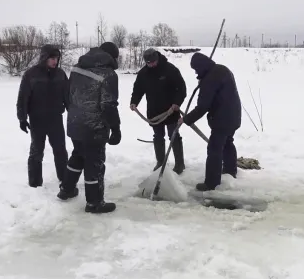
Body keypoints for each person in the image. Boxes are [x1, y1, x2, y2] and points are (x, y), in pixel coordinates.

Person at [57, 42, 121, 214]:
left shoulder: (77, 68)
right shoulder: (108, 75)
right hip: (94, 127)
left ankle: (66, 189)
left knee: (78, 155)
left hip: (74, 122)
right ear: (112, 56)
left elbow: (67, 93)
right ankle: (94, 202)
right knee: (95, 163)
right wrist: (116, 128)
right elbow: (108, 105)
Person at [180, 52, 242, 191]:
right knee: (228, 142)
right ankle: (230, 171)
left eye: (196, 69)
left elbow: (203, 106)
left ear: (201, 67)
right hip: (234, 115)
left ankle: (211, 183)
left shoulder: (209, 79)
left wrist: (186, 119)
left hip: (222, 119)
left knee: (214, 149)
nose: (196, 72)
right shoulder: (222, 69)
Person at [16, 44, 69, 188]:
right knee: (36, 151)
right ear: (44, 58)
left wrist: (74, 114)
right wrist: (22, 118)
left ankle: (65, 179)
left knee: (60, 150)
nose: (55, 61)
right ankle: (35, 183)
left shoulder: (60, 74)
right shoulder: (31, 74)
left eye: (57, 58)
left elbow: (68, 97)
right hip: (37, 119)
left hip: (55, 119)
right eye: (52, 58)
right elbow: (23, 98)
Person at [130, 48, 187, 174]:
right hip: (154, 111)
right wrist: (134, 101)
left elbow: (181, 88)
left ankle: (179, 164)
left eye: (153, 62)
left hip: (171, 111)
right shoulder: (143, 73)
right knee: (158, 136)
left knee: (174, 135)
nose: (151, 65)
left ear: (157, 59)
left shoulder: (170, 69)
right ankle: (160, 162)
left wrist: (177, 103)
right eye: (148, 63)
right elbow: (138, 89)